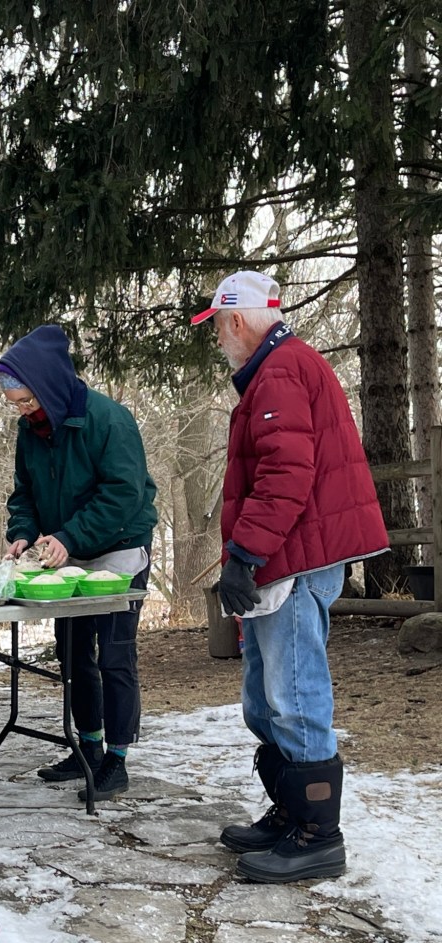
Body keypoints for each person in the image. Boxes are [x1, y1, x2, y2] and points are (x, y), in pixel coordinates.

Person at [191, 271, 389, 882]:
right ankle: (292, 810)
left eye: (218, 326)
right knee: (265, 698)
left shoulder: (280, 370)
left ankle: (318, 836)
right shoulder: (278, 368)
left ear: (238, 320)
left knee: (294, 695)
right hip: (287, 555)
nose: (218, 338)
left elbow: (286, 474)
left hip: (296, 560)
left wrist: (245, 554)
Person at [0, 324, 158, 800]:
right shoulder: (30, 431)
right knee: (72, 653)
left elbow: (123, 495)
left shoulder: (109, 420)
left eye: (28, 401)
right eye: (15, 404)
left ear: (49, 385)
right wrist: (23, 533)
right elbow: (24, 493)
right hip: (66, 551)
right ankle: (87, 746)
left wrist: (70, 536)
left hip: (119, 548)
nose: (24, 411)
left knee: (115, 655)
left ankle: (117, 759)